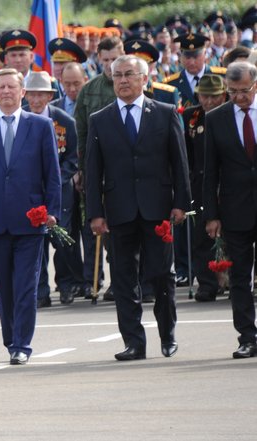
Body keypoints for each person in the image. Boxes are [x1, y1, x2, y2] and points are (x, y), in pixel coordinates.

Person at [85, 55, 190, 361]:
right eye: (117, 75)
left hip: (157, 208)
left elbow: (179, 163)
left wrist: (180, 204)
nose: (123, 81)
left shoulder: (165, 113)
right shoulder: (100, 119)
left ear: (145, 79)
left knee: (160, 275)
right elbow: (93, 170)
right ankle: (134, 342)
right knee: (123, 277)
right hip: (119, 210)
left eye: (129, 74)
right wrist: (95, 212)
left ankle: (167, 333)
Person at [0, 68, 61, 365]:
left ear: (22, 93)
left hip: (30, 219)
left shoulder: (42, 126)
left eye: (11, 87)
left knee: (26, 285)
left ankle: (22, 343)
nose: (6, 92)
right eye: (1, 87)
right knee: (4, 287)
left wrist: (52, 211)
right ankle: (11, 339)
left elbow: (52, 175)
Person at [203, 61, 257, 358]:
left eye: (245, 91)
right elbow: (210, 171)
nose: (239, 97)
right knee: (239, 278)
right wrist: (211, 215)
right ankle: (247, 336)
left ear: (255, 85)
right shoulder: (217, 119)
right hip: (235, 210)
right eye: (233, 91)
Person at [24, 71, 83, 307]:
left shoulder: (65, 121)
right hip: (29, 191)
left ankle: (67, 285)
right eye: (32, 94)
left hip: (59, 191)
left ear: (50, 96)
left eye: (41, 95)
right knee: (34, 242)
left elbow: (72, 158)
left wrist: (56, 179)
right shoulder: (22, 119)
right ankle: (40, 291)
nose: (36, 100)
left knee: (62, 239)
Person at [75, 35, 124, 300]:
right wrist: (82, 169)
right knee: (106, 230)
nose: (109, 65)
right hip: (100, 170)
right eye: (104, 60)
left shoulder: (133, 83)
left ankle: (135, 280)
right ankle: (116, 281)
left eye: (114, 59)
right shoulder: (89, 90)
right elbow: (81, 134)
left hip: (129, 168)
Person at [181, 74, 227, 302]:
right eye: (204, 96)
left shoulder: (229, 113)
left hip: (228, 183)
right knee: (201, 237)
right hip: (200, 184)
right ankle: (207, 284)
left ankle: (235, 281)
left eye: (214, 97)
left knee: (234, 235)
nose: (209, 101)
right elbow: (186, 152)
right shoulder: (192, 116)